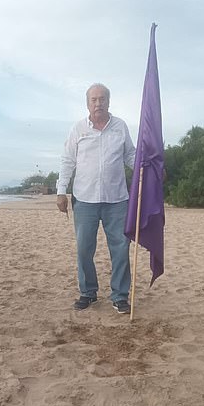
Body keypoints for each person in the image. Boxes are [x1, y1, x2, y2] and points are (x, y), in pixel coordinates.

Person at [57, 83, 136, 314]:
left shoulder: (120, 127)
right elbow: (67, 161)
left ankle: (120, 296)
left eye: (102, 99)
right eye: (93, 99)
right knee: (84, 249)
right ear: (87, 103)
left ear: (109, 101)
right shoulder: (78, 129)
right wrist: (61, 191)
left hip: (117, 199)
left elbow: (130, 155)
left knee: (121, 248)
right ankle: (88, 292)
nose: (98, 103)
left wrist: (147, 171)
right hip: (84, 199)